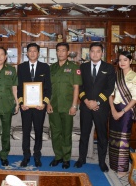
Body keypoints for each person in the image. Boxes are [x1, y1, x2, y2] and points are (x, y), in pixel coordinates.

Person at [74, 42, 116, 172]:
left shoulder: (109, 68)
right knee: (84, 134)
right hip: (86, 106)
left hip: (101, 107)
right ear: (89, 53)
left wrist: (96, 102)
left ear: (102, 53)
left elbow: (109, 89)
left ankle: (102, 161)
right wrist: (86, 101)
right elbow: (80, 86)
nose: (95, 54)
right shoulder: (83, 66)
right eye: (93, 51)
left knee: (102, 135)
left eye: (98, 51)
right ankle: (81, 158)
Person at [47, 42, 82, 169]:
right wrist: (48, 103)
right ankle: (58, 157)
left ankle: (66, 158)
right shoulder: (51, 68)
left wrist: (74, 106)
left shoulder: (74, 67)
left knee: (66, 133)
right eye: (58, 50)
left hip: (67, 106)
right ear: (56, 52)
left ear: (67, 53)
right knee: (55, 133)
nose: (60, 53)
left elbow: (76, 88)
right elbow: (47, 88)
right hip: (53, 106)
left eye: (63, 50)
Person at [17, 43, 51, 167]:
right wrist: (21, 102)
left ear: (38, 53)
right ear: (26, 53)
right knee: (25, 131)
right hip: (25, 107)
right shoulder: (21, 67)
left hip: (39, 107)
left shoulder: (45, 67)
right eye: (30, 51)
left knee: (38, 131)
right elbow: (19, 88)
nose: (32, 53)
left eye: (34, 51)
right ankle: (26, 156)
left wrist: (44, 102)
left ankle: (37, 156)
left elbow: (48, 88)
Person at [109, 51, 136, 177]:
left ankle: (122, 168)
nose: (122, 62)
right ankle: (114, 164)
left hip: (127, 111)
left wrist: (122, 112)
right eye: (120, 60)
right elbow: (110, 94)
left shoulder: (134, 76)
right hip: (115, 109)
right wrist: (113, 110)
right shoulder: (116, 75)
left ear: (130, 61)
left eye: (125, 60)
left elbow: (135, 98)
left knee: (123, 139)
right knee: (114, 137)